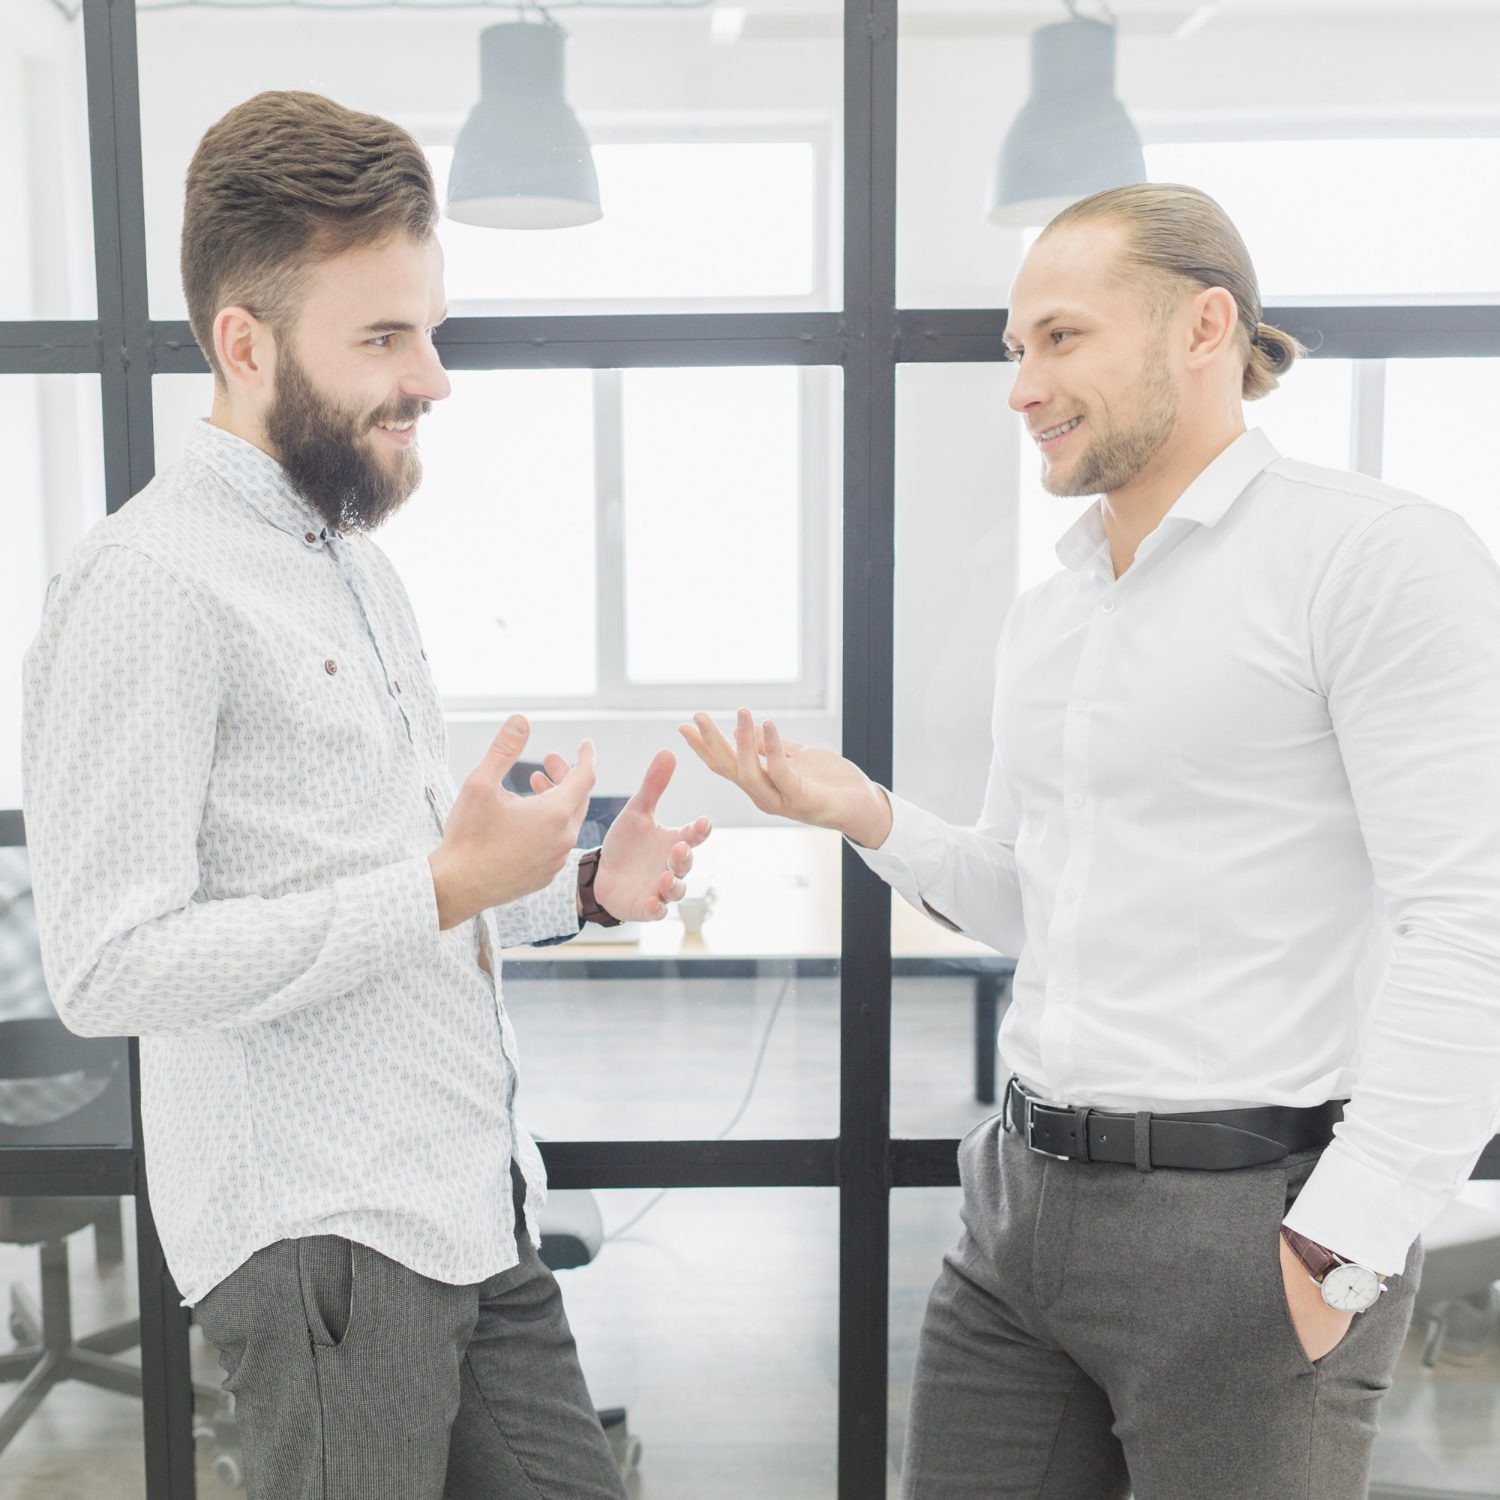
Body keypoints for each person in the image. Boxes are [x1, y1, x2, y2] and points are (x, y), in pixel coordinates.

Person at [682, 182, 1500, 1498]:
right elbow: (1033, 899)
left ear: (1203, 327)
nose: (1022, 385)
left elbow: (1471, 921)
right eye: (1018, 348)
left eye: (1060, 338)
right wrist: (869, 817)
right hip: (1019, 1213)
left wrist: (1348, 1239)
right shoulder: (1057, 609)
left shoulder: (1375, 559)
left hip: (1248, 1221)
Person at [22, 90, 712, 1500]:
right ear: (245, 343)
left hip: (469, 1206)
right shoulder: (147, 585)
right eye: (385, 338)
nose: (434, 377)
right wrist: (451, 881)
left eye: (431, 330)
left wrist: (572, 888)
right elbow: (105, 966)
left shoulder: (351, 561)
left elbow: (399, 893)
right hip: (326, 1244)